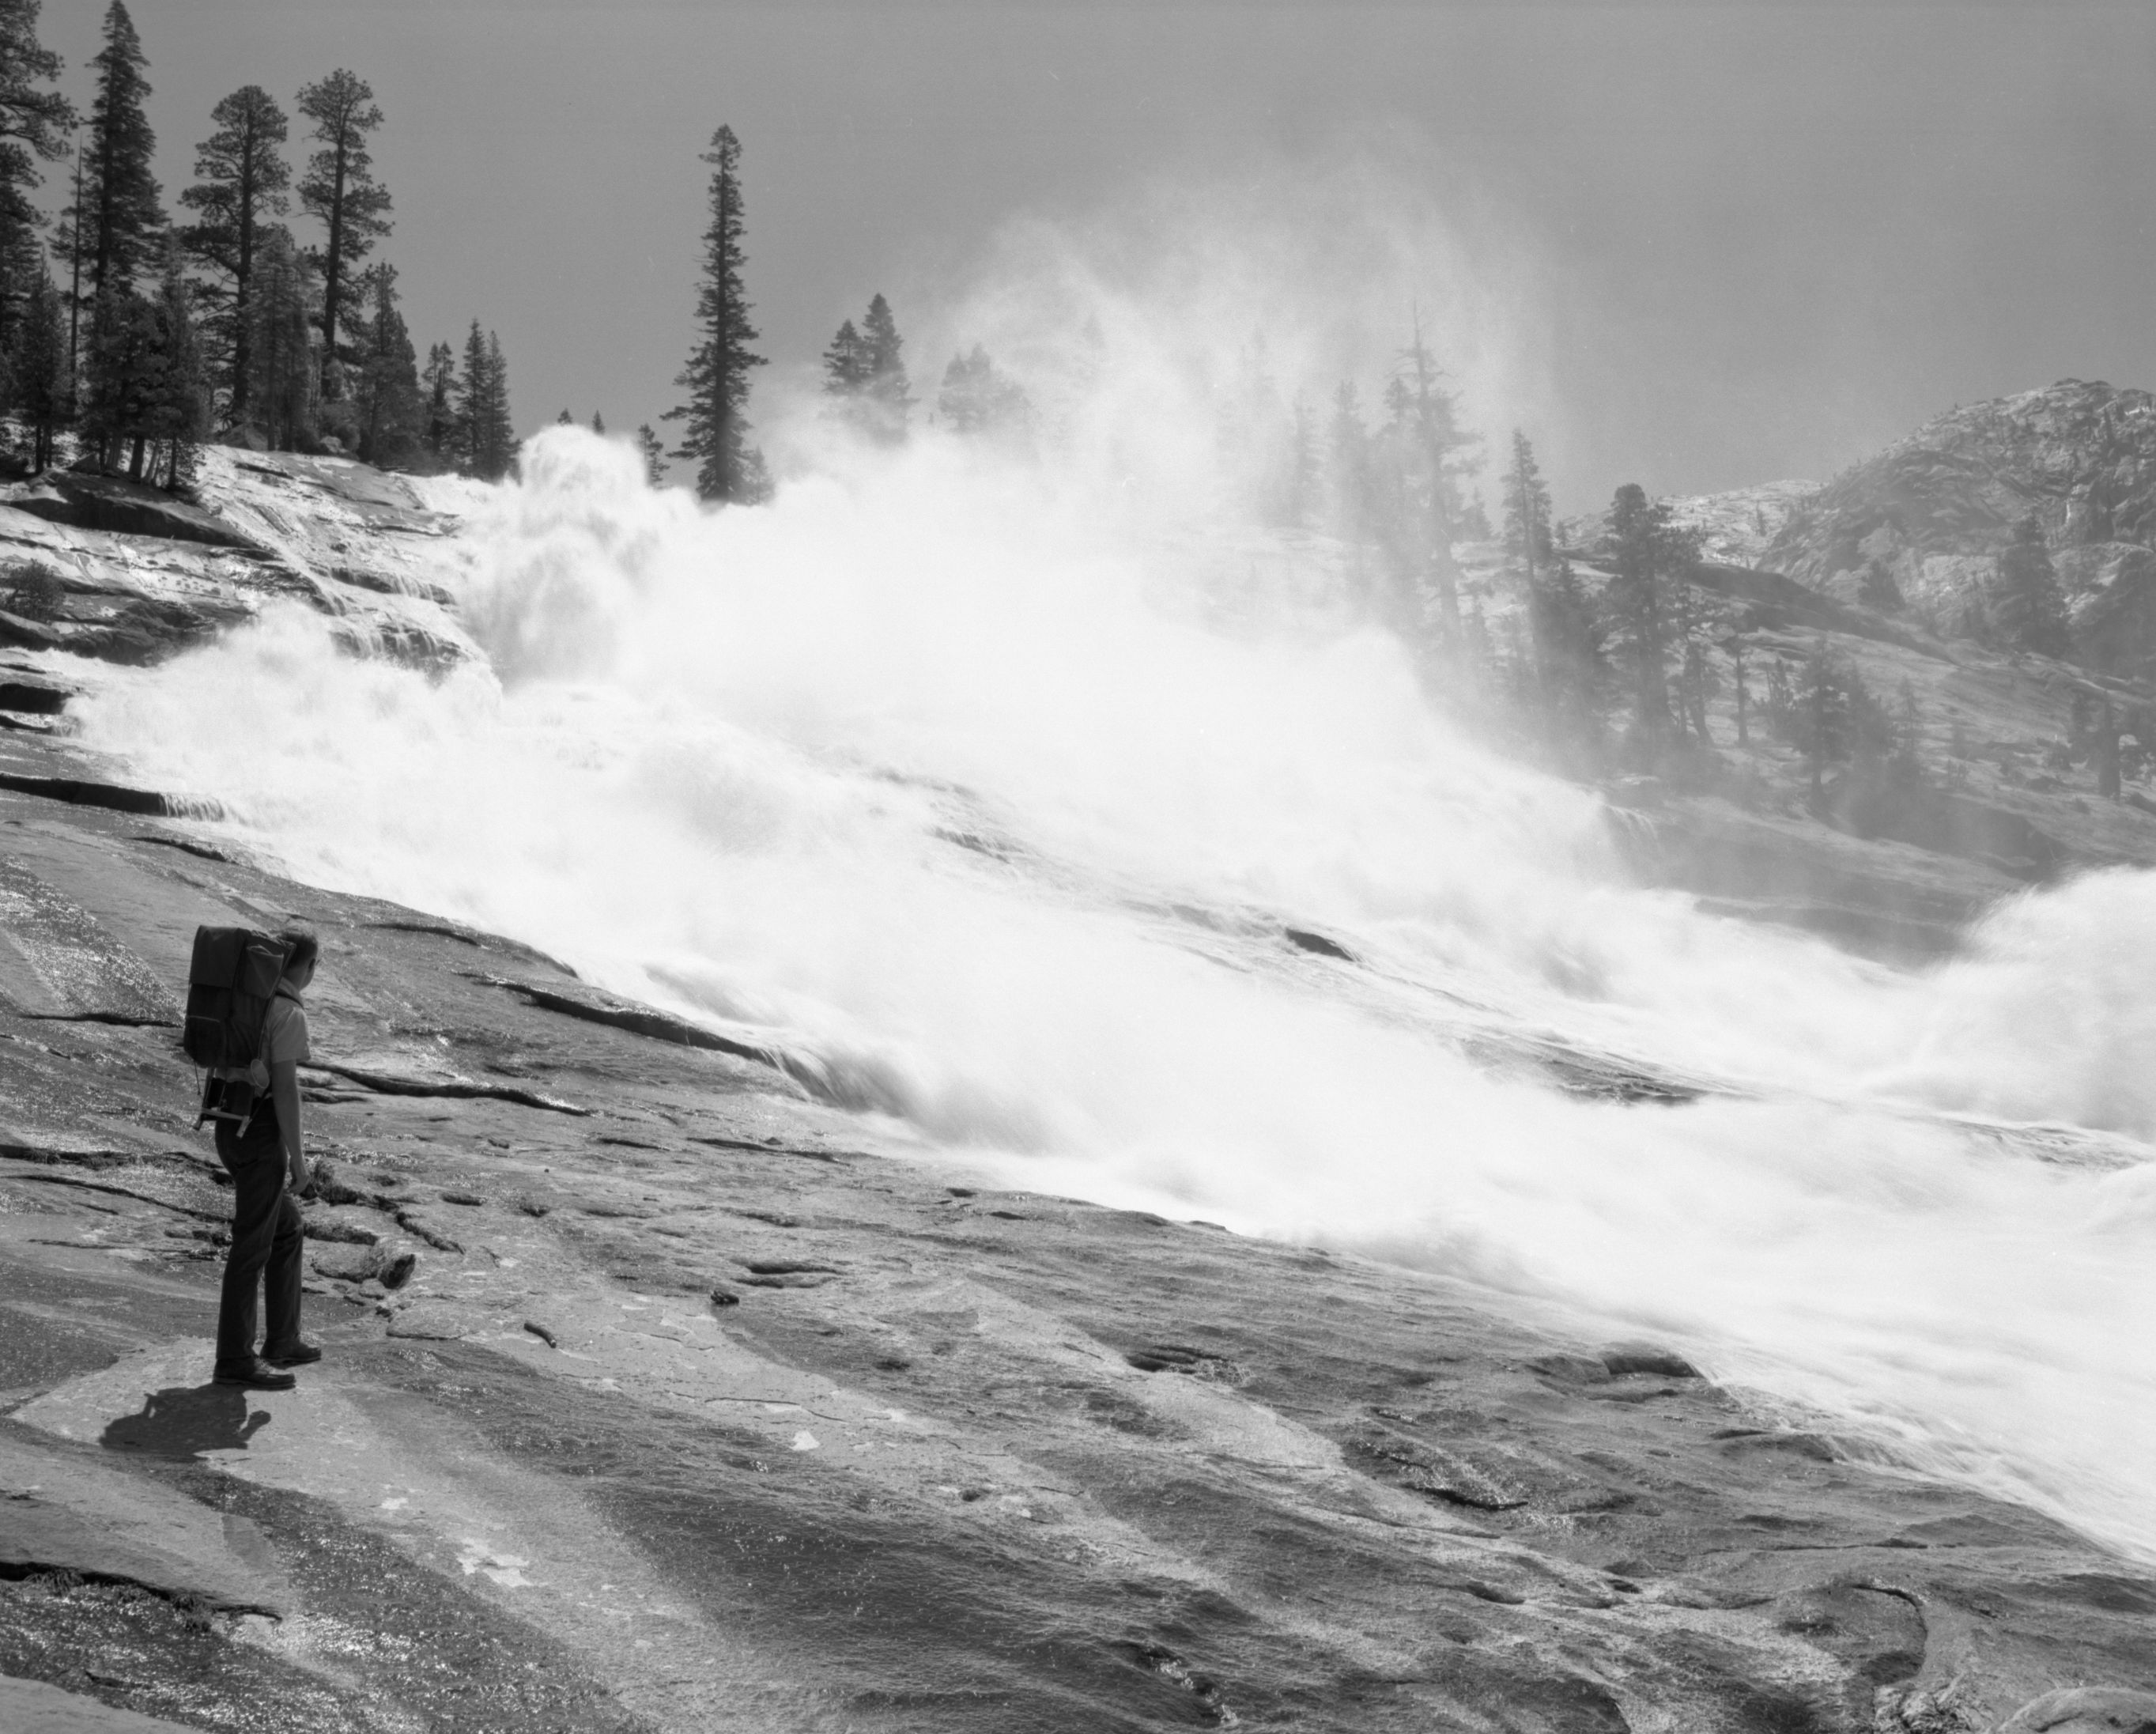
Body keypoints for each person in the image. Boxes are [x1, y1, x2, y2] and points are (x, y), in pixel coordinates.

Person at [212, 929, 322, 1391]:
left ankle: (282, 1339)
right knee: (251, 1247)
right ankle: (235, 1359)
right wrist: (298, 1160)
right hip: (258, 1137)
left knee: (286, 1228)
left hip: (226, 1125)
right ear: (309, 968)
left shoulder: (246, 1000)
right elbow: (286, 1093)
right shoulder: (287, 1012)